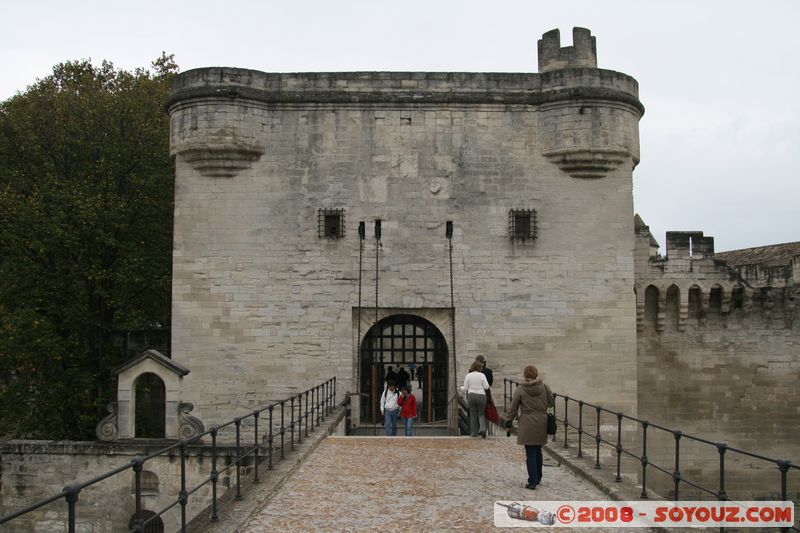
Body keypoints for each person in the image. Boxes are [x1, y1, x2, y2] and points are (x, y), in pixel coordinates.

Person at [504, 365, 554, 490]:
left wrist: (508, 423)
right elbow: (551, 402)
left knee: (530, 452)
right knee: (538, 449)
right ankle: (538, 476)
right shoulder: (544, 387)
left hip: (527, 421)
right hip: (542, 421)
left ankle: (532, 480)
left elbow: (513, 408)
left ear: (525, 375)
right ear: (536, 375)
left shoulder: (521, 389)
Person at [461, 360, 490, 438]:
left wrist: (461, 388)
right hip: (481, 395)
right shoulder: (482, 375)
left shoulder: (468, 375)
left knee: (473, 414)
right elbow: (486, 386)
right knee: (481, 413)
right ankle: (483, 429)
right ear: (480, 368)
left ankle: (474, 433)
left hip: (472, 395)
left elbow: (465, 388)